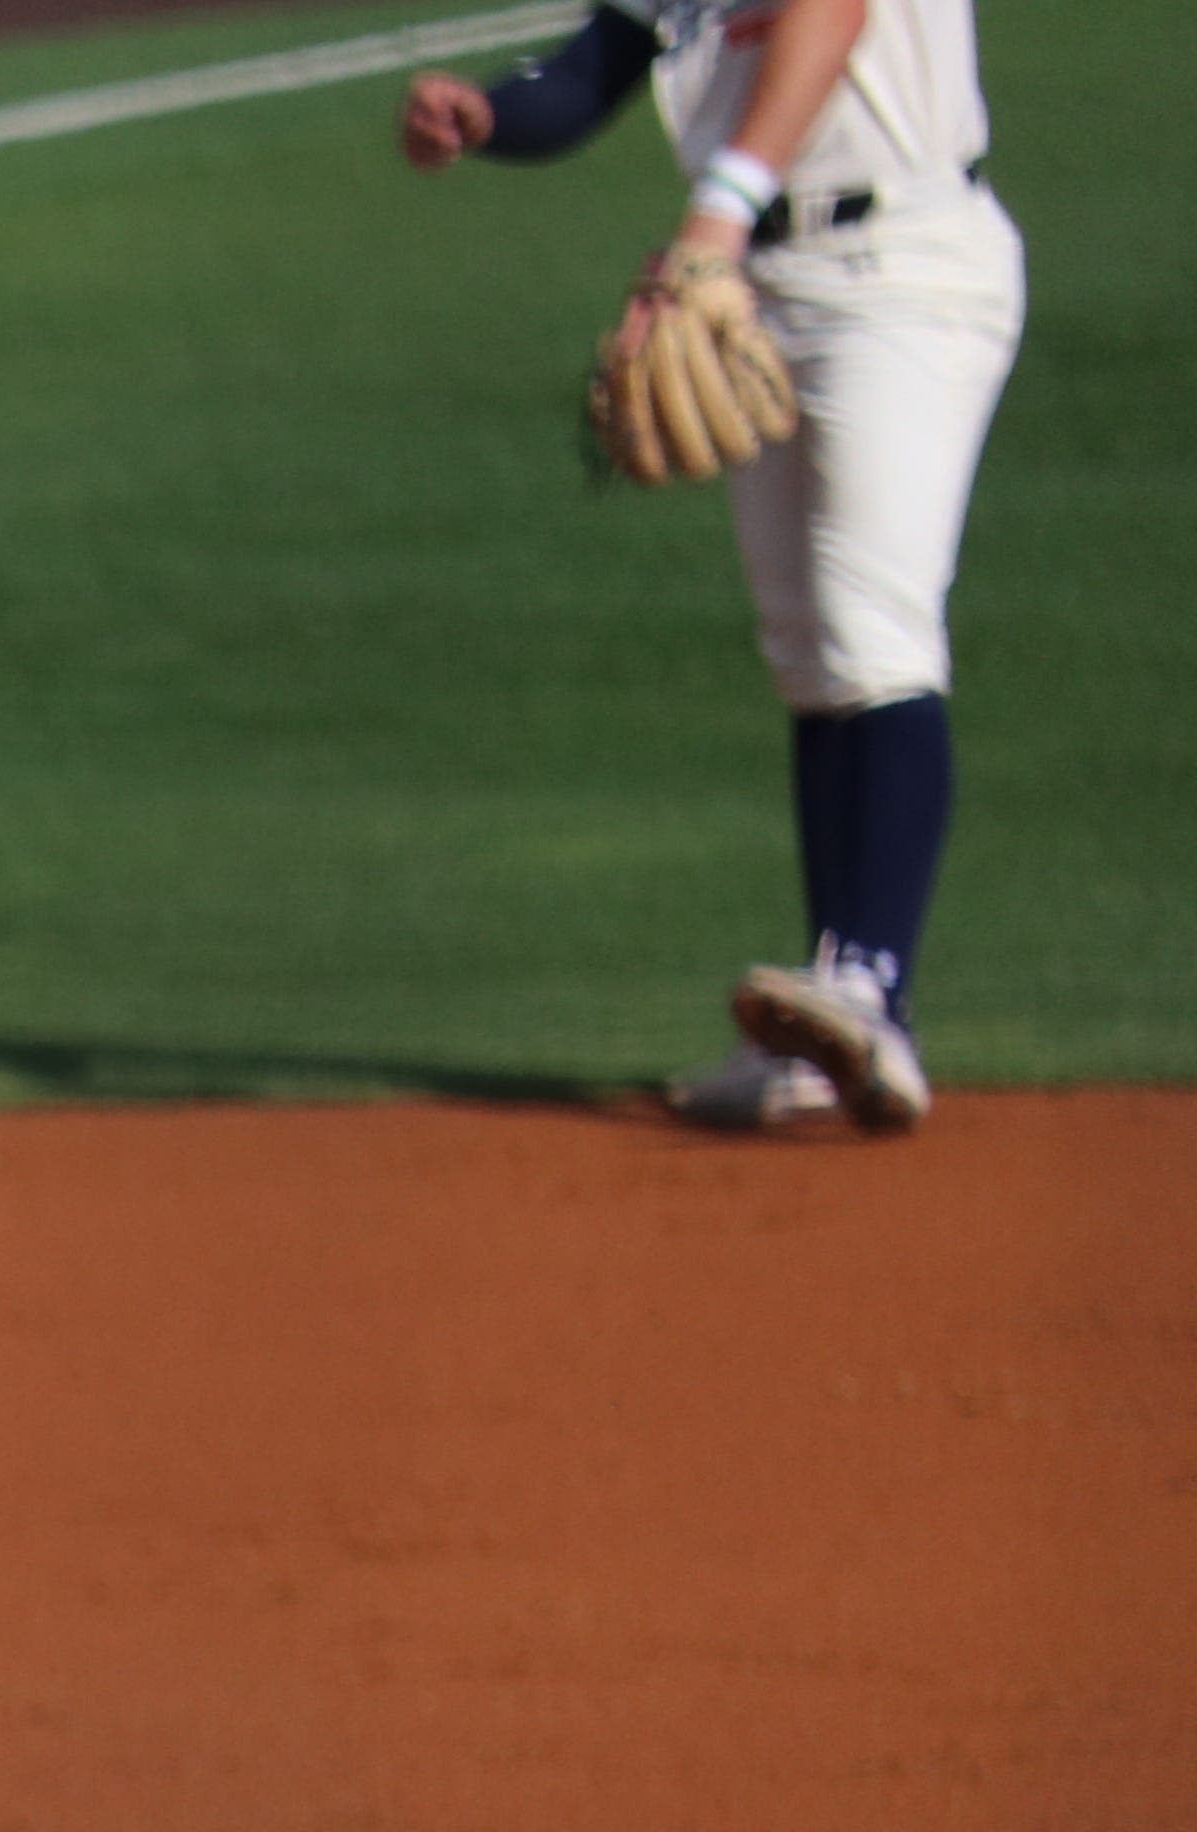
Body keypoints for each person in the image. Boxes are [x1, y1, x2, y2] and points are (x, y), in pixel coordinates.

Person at [403, 1, 1023, 1133]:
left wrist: (715, 215)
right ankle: (835, 1028)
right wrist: (487, 113)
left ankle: (870, 984)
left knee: (872, 623)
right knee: (807, 652)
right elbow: (605, 57)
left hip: (902, 267)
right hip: (754, 283)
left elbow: (828, 14)